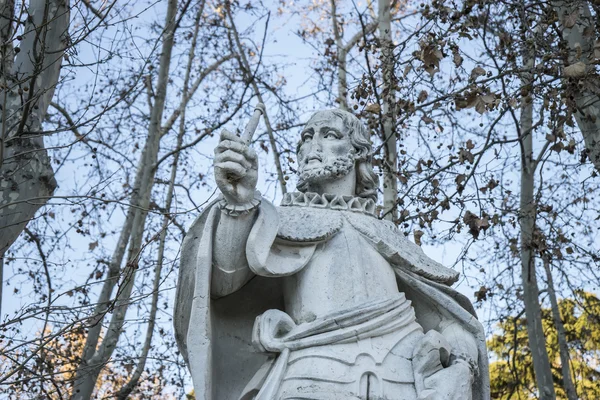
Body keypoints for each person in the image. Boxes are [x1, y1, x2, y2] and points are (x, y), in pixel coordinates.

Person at [174, 109, 490, 400]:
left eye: (329, 134)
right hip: (312, 375)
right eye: (307, 136)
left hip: (404, 380)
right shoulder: (281, 221)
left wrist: (462, 366)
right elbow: (221, 284)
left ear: (358, 153)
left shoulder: (388, 235)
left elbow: (451, 321)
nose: (313, 145)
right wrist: (238, 205)